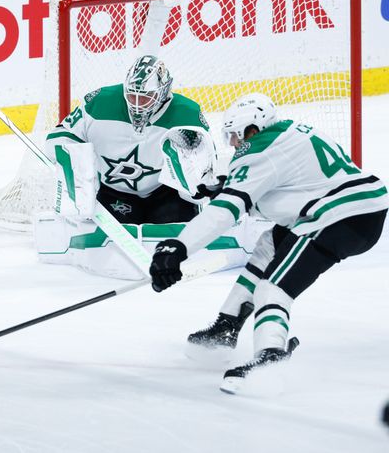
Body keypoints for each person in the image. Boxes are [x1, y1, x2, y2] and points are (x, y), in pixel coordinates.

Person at [149, 93, 388, 394]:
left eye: (236, 136)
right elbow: (287, 187)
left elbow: (227, 212)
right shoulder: (291, 133)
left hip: (339, 217)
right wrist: (230, 184)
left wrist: (179, 247)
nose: (234, 144)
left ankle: (270, 355)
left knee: (273, 288)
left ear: (253, 128)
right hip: (359, 208)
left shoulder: (261, 152)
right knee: (268, 246)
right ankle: (227, 325)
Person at [34, 55, 243, 280]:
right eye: (131, 95)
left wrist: (200, 184)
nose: (136, 103)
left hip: (164, 194)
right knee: (108, 237)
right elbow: (59, 136)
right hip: (114, 194)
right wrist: (74, 165)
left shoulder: (187, 113)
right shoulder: (99, 102)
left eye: (145, 98)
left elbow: (204, 163)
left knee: (181, 229)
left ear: (163, 92)